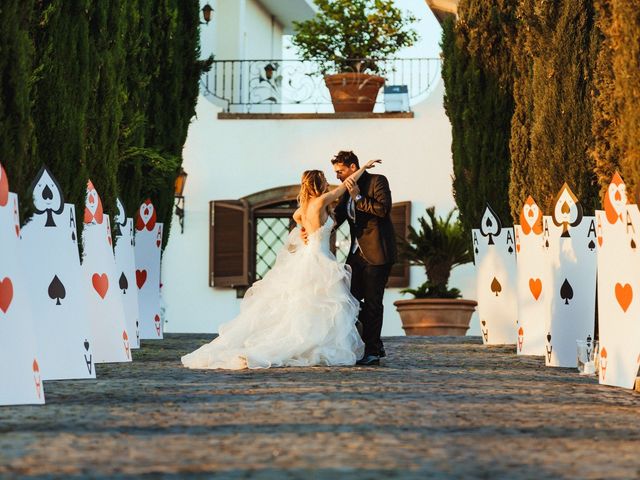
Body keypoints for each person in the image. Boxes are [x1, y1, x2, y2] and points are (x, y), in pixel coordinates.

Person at [181, 159, 381, 370]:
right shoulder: (321, 201)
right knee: (322, 305)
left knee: (307, 305)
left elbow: (299, 222)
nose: (327, 184)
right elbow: (343, 187)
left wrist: (306, 231)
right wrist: (363, 168)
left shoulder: (302, 209)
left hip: (308, 255)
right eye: (324, 180)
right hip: (319, 259)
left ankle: (311, 342)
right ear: (318, 184)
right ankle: (306, 344)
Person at [330, 151, 396, 366]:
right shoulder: (345, 191)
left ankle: (373, 351)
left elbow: (383, 210)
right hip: (356, 256)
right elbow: (337, 218)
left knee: (373, 303)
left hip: (378, 253)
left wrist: (358, 196)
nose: (338, 176)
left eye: (340, 171)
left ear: (352, 167)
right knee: (349, 300)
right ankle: (365, 344)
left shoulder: (377, 181)